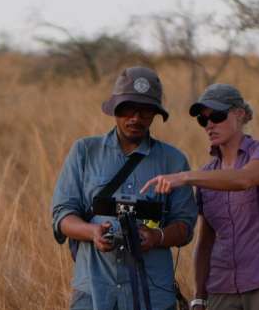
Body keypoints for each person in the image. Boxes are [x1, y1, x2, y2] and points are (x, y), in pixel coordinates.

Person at [141, 83, 259, 310]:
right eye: (203, 120)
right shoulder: (207, 175)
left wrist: (184, 177)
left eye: (216, 116)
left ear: (240, 114)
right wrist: (199, 296)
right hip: (222, 288)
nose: (209, 125)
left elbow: (243, 179)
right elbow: (206, 242)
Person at [52, 66, 198, 310]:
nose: (136, 118)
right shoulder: (85, 151)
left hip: (154, 294)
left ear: (155, 114)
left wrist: (156, 237)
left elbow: (185, 226)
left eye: (145, 111)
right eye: (128, 109)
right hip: (94, 290)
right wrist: (93, 232)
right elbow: (62, 214)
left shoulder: (174, 160)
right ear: (115, 109)